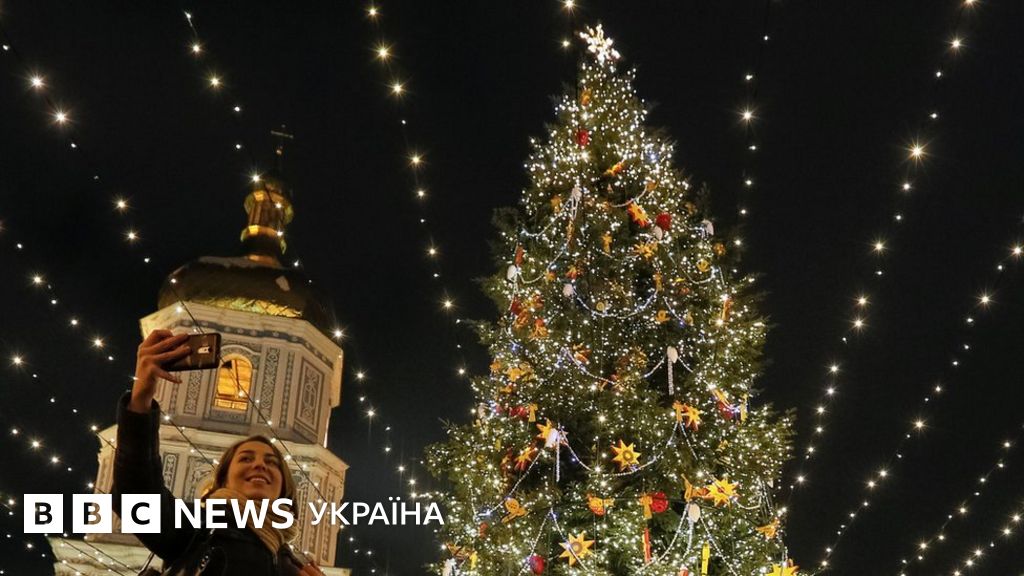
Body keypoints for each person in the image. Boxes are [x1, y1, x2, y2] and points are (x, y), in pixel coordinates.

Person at [113, 330, 324, 575]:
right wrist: (141, 398)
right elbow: (136, 495)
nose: (260, 465)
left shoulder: (292, 563)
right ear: (223, 479)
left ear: (284, 488)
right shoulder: (199, 526)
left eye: (272, 462)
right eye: (245, 458)